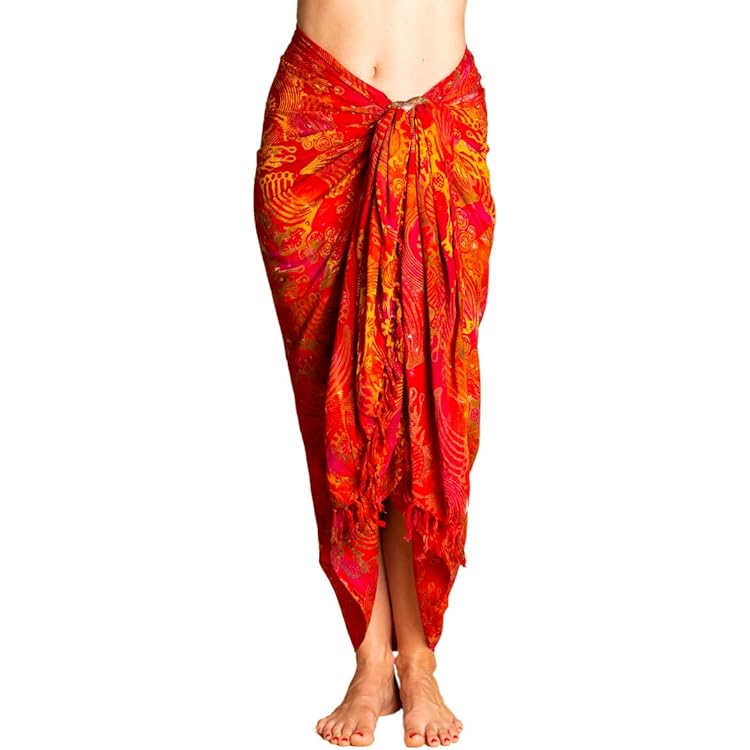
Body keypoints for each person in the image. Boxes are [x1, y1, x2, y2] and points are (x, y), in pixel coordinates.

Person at [253, 0, 495, 746]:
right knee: (337, 409)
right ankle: (369, 659)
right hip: (317, 129)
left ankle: (417, 660)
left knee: (424, 405)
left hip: (441, 124)